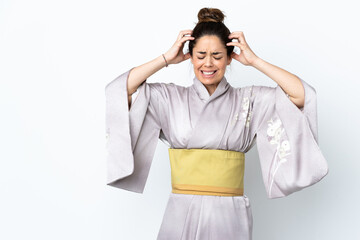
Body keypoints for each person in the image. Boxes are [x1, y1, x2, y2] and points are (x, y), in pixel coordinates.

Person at [105, 7, 329, 240]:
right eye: (200, 56)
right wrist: (165, 59)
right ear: (190, 56)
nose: (208, 64)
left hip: (230, 215)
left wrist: (255, 61)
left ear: (230, 57)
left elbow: (301, 96)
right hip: (180, 213)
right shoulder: (170, 98)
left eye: (217, 56)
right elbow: (121, 90)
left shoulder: (249, 100)